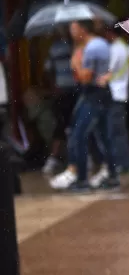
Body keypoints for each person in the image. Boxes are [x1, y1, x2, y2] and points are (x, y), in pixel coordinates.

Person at [58, 20, 119, 191]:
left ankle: (83, 180)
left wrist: (75, 62)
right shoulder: (98, 44)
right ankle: (113, 176)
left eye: (74, 29)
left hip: (94, 95)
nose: (71, 32)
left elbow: (85, 77)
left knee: (79, 136)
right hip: (100, 94)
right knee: (104, 137)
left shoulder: (92, 48)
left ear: (83, 30)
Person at [95, 26, 129, 179]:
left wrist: (100, 78)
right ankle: (123, 163)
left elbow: (109, 70)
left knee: (114, 132)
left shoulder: (117, 48)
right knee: (119, 131)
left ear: (110, 33)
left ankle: (121, 164)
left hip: (116, 94)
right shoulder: (123, 46)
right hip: (120, 93)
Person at [41, 30, 79, 174]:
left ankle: (59, 158)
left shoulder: (71, 46)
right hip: (66, 90)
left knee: (65, 124)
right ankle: (58, 158)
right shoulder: (62, 47)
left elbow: (48, 70)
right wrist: (54, 86)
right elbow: (48, 70)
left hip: (70, 89)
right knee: (66, 124)